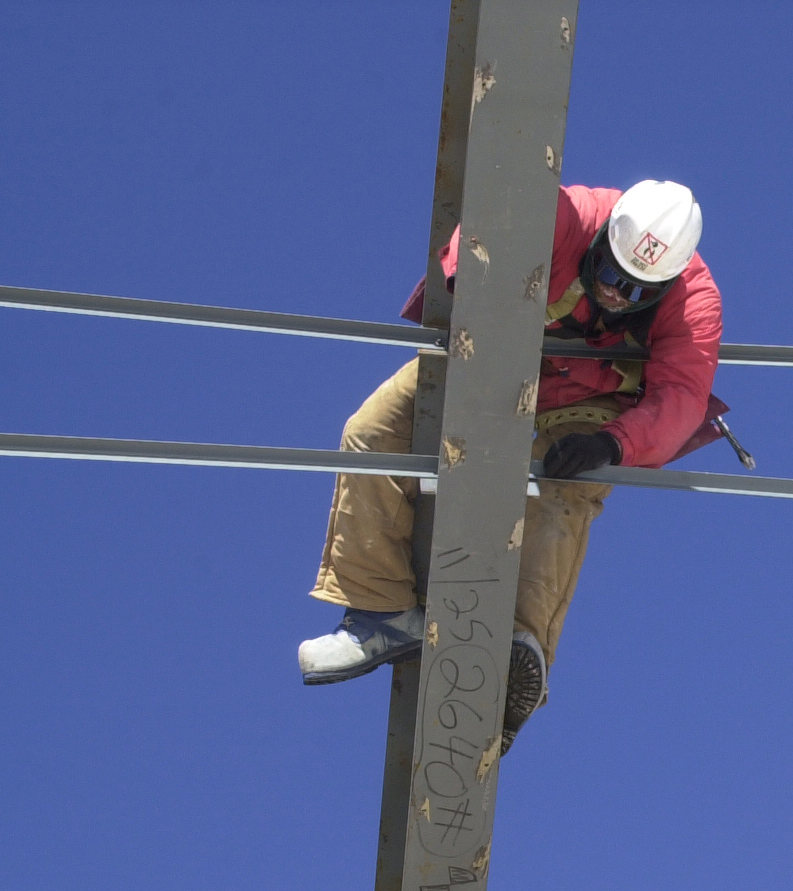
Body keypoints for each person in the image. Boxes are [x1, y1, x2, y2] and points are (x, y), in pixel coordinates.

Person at [299, 180, 726, 752]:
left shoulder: (694, 300)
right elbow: (488, 224)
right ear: (601, 238)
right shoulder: (562, 214)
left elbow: (681, 397)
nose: (617, 293)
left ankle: (510, 656)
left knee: (564, 491)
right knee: (374, 432)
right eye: (610, 272)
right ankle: (380, 612)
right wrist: (469, 285)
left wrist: (613, 444)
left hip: (586, 405)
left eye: (637, 290)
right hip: (490, 354)